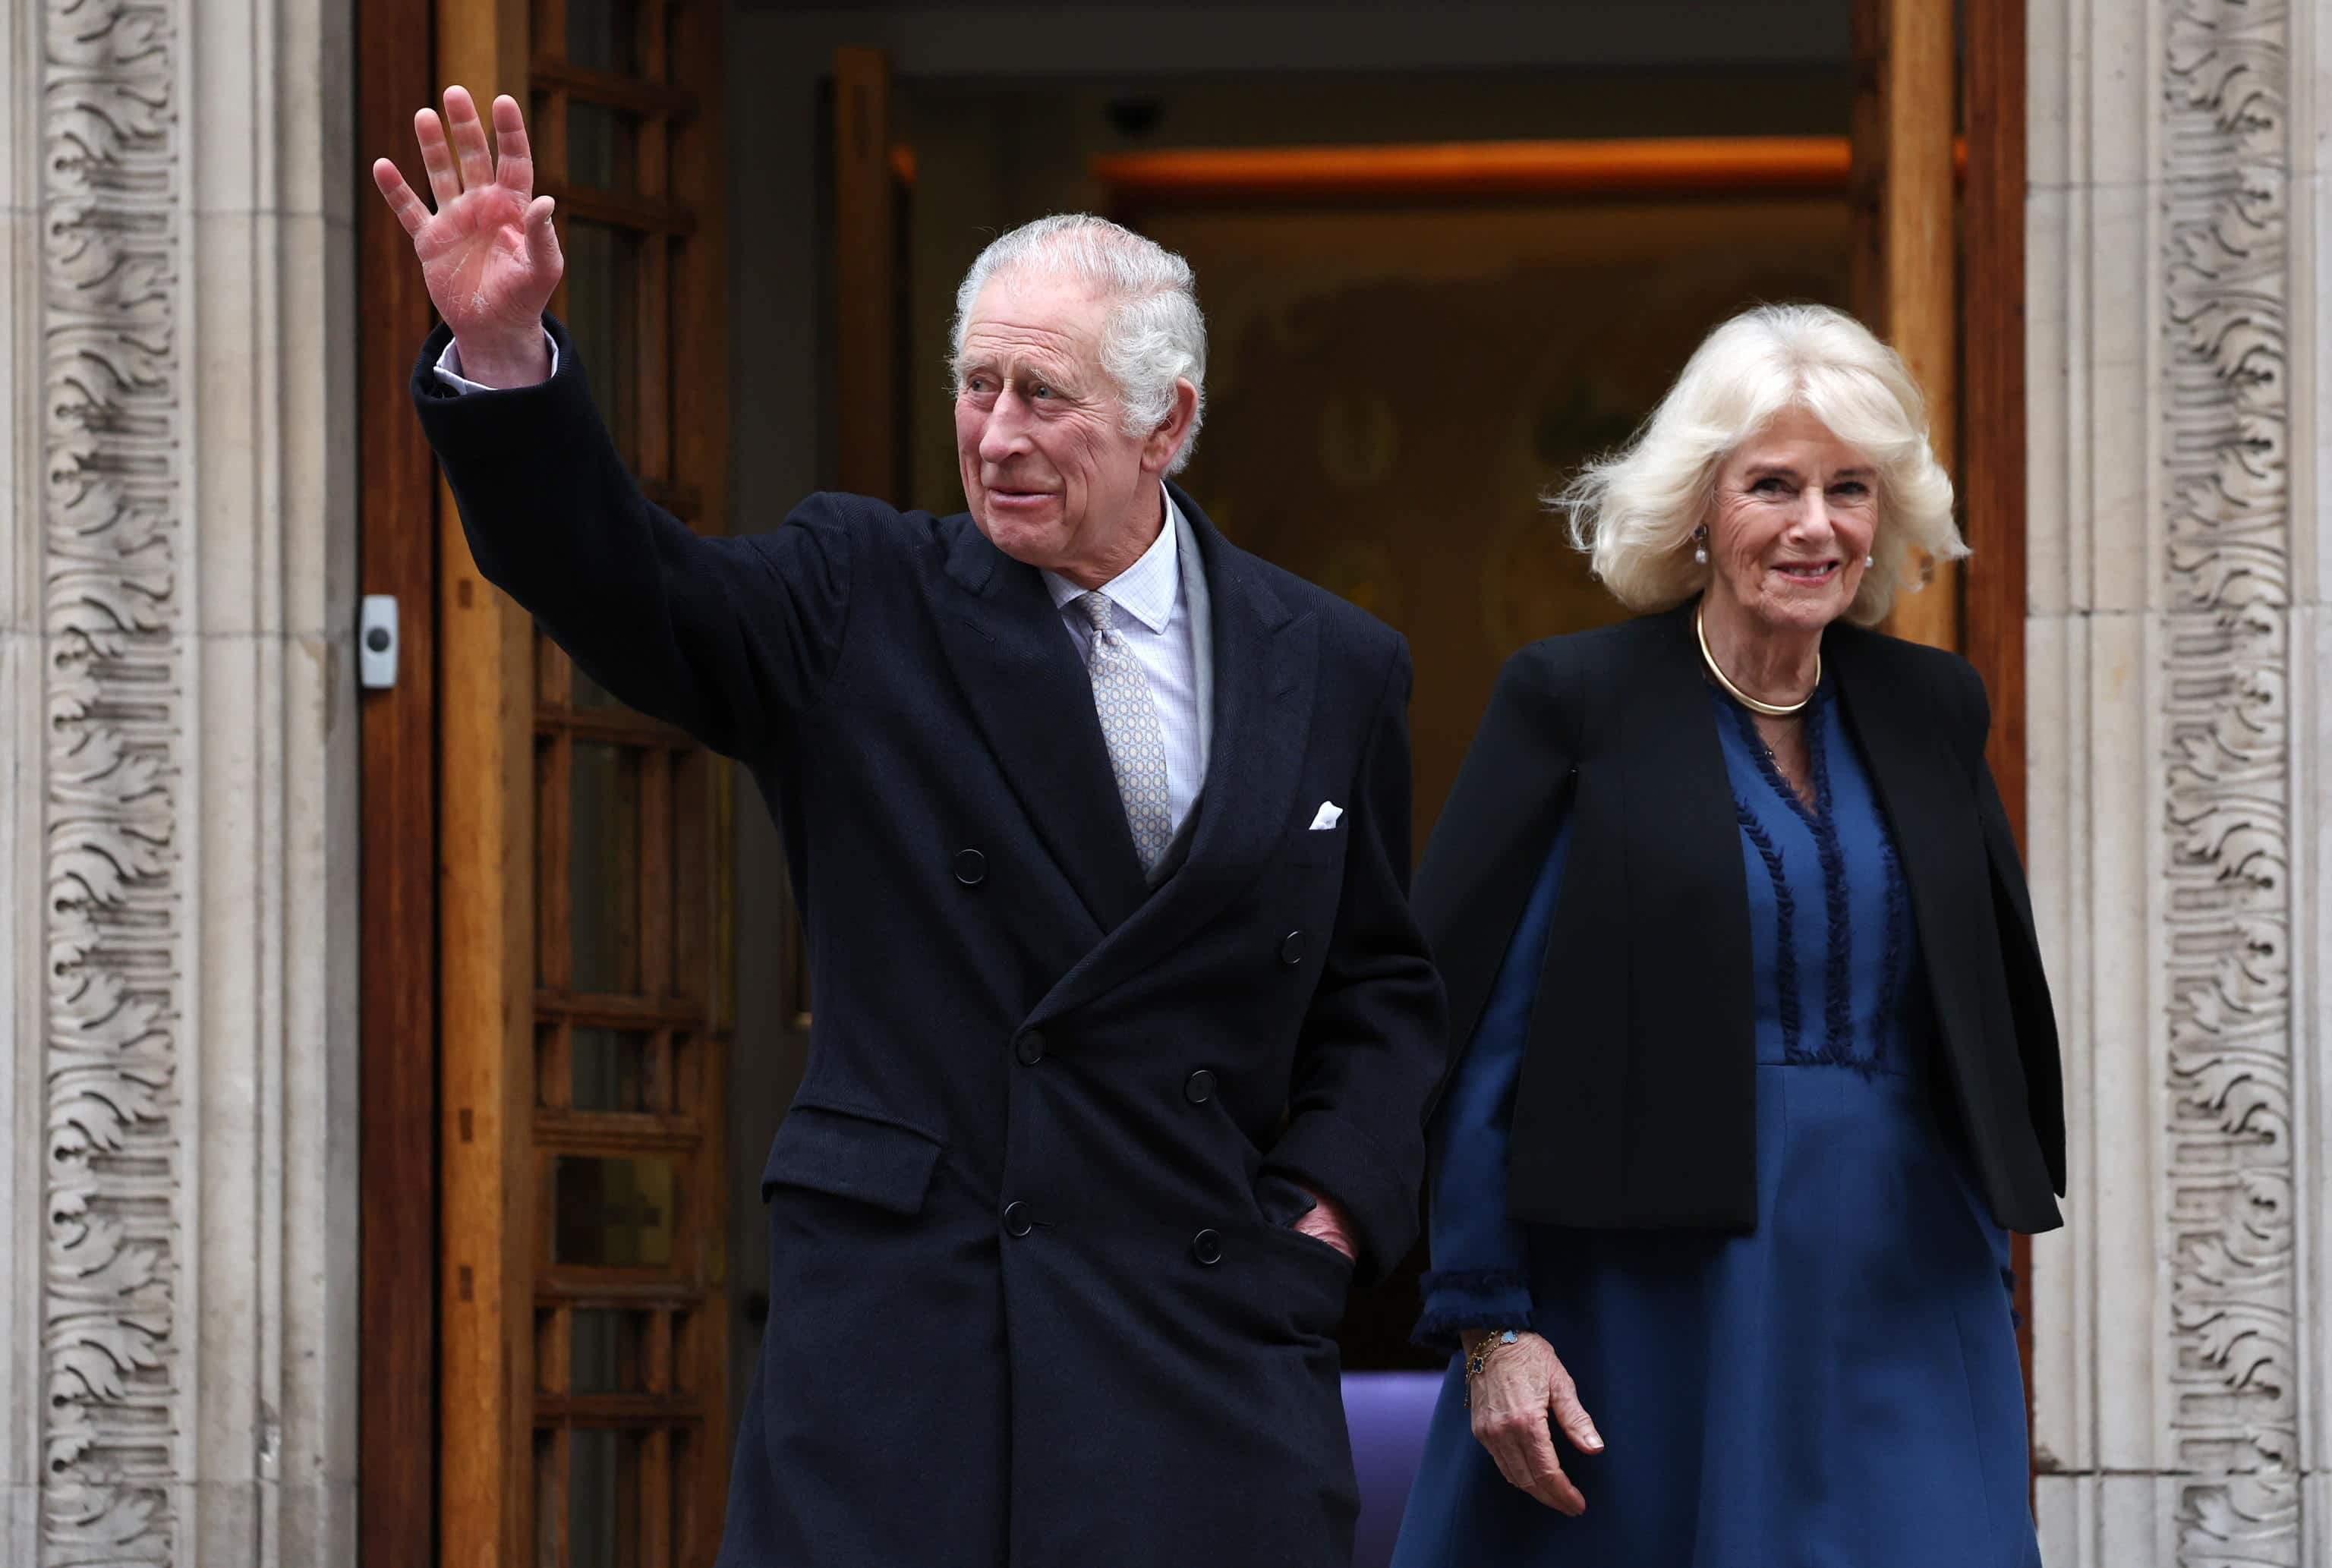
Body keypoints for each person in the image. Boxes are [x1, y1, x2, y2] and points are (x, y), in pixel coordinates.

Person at [373, 88, 1446, 1568]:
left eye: (1043, 396)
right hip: (920, 1348)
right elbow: (632, 591)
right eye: (975, 385)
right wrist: (502, 359)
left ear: (1167, 423)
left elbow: (1378, 989)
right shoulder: (856, 596)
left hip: (1200, 1340)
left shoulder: (1332, 660)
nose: (995, 434)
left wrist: (1319, 1220)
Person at [1390, 304, 2063, 1566]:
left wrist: (1987, 1248)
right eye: (1774, 485)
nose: (1816, 525)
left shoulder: (1933, 709)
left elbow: (1976, 1016)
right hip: (1654, 1296)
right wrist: (1491, 1320)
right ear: (1700, 502)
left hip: (1907, 1282)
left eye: (1849, 488)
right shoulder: (1578, 703)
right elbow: (1476, 1034)